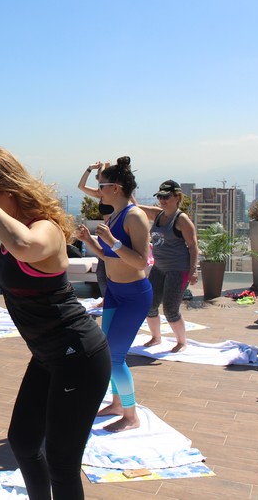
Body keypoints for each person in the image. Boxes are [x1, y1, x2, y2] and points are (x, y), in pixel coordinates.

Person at [0, 146, 110, 500]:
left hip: (79, 356)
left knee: (61, 463)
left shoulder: (44, 229)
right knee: (23, 443)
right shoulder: (2, 227)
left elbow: (25, 244)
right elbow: (0, 230)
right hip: (47, 356)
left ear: (4, 191)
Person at [77, 156, 152, 432]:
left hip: (134, 295)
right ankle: (118, 403)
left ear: (116, 188)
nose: (99, 191)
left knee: (115, 357)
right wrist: (91, 243)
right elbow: (110, 257)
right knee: (106, 352)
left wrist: (113, 241)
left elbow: (140, 261)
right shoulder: (116, 215)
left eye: (102, 185)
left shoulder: (135, 216)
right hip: (115, 293)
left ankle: (131, 416)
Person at [136, 180, 199, 352]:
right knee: (149, 305)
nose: (163, 200)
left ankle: (181, 341)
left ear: (177, 197)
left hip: (178, 269)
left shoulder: (182, 219)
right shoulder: (157, 214)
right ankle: (156, 337)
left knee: (171, 309)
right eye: (160, 196)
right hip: (159, 268)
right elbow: (134, 207)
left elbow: (193, 247)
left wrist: (194, 271)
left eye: (167, 196)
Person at [77, 161, 111, 302]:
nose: (98, 181)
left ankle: (109, 300)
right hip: (105, 235)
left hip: (114, 235)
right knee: (102, 273)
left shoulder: (112, 195)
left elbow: (105, 179)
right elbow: (81, 186)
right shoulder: (100, 195)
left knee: (106, 272)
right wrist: (89, 168)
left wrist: (103, 167)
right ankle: (107, 299)